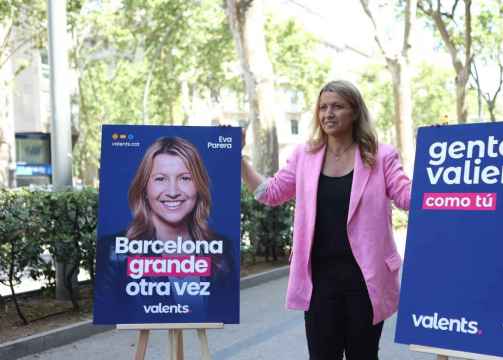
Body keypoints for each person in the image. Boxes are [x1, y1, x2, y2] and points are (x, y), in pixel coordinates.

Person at [241, 80, 412, 359]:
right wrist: (239, 160)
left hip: (365, 280)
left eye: (337, 107)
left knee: (364, 355)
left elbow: (407, 198)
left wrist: (437, 171)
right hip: (320, 281)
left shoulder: (381, 156)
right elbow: (270, 193)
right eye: (323, 107)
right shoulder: (304, 155)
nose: (328, 114)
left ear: (355, 112)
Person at [94, 136, 233, 324]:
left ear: (199, 186)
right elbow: (110, 313)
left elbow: (222, 310)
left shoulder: (221, 250)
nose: (173, 191)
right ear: (144, 188)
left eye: (185, 178)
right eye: (160, 179)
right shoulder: (115, 251)